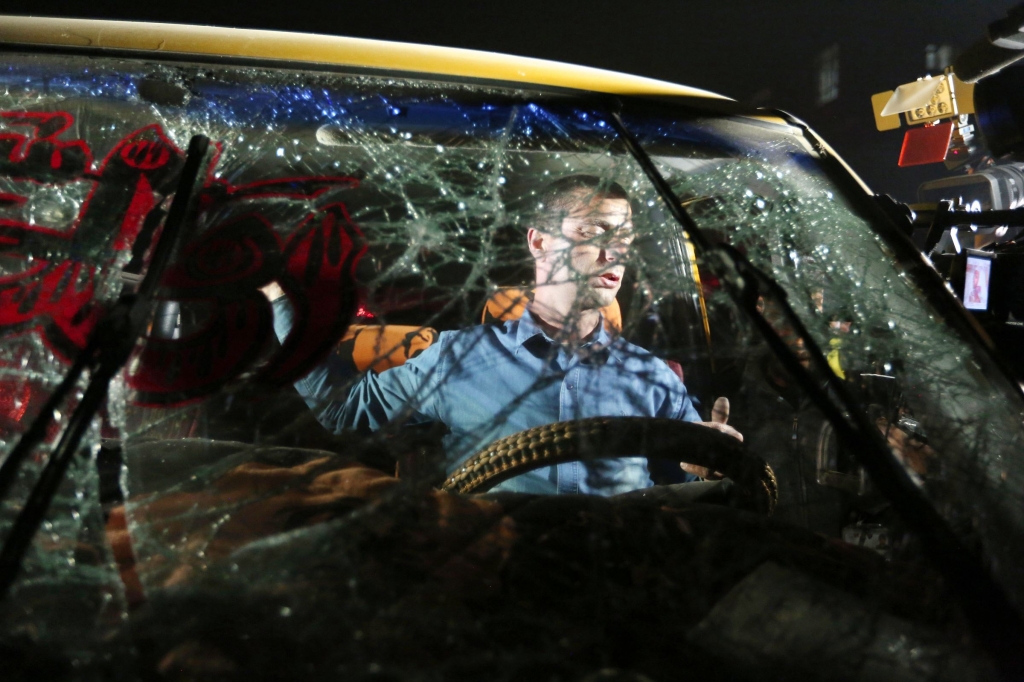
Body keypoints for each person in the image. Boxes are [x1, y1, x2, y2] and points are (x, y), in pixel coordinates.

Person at [266, 175, 740, 496]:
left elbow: (685, 481)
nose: (614, 253)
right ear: (539, 241)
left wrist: (710, 462)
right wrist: (278, 299)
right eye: (595, 232)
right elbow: (343, 409)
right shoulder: (456, 358)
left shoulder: (653, 375)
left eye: (625, 239)